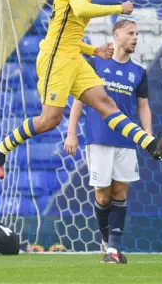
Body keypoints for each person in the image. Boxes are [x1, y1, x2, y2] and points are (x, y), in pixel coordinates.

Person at [0, 0, 162, 180]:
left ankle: (151, 144)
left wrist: (94, 50)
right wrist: (120, 8)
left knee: (106, 103)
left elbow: (65, 31)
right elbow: (79, 11)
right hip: (56, 60)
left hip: (73, 59)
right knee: (50, 120)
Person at [64, 19, 150, 264]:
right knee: (102, 195)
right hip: (99, 137)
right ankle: (107, 243)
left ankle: (113, 248)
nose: (135, 37)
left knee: (120, 192)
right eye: (131, 33)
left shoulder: (139, 72)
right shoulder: (96, 63)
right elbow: (80, 99)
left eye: (137, 33)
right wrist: (72, 132)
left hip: (127, 138)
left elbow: (143, 106)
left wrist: (148, 136)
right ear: (117, 35)